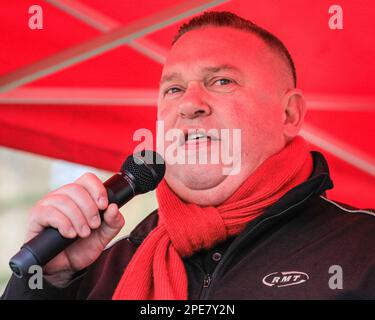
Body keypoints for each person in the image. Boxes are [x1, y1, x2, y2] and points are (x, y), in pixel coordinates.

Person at [2, 11, 374, 300]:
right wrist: (45, 283)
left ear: (289, 114)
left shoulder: (363, 249)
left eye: (222, 81)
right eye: (174, 88)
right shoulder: (97, 267)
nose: (189, 104)